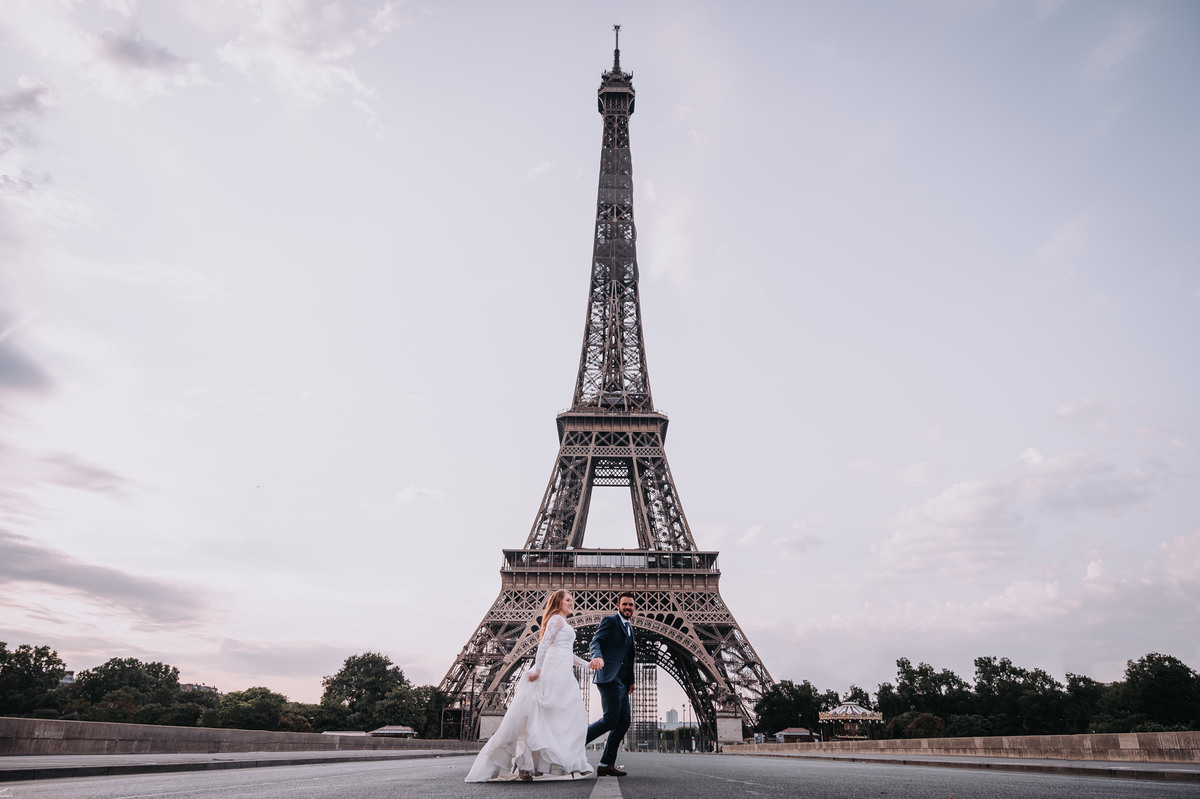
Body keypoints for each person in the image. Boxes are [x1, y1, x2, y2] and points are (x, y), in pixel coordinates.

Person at [464, 589, 595, 782]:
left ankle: (569, 762)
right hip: (552, 671)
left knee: (563, 717)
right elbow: (544, 644)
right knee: (542, 717)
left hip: (562, 673)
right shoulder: (556, 620)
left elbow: (567, 653)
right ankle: (529, 764)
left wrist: (588, 664)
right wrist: (538, 670)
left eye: (571, 599)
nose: (571, 602)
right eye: (568, 599)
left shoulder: (562, 622)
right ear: (558, 602)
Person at [585, 591, 637, 777]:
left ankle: (606, 763)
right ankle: (574, 742)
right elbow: (596, 641)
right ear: (618, 606)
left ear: (634, 607)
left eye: (630, 605)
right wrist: (597, 656)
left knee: (624, 721)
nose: (628, 607)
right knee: (611, 719)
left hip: (622, 681)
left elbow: (629, 658)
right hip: (608, 676)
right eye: (625, 604)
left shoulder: (630, 628)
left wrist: (631, 681)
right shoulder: (610, 621)